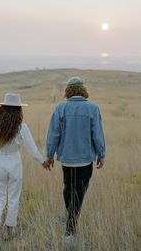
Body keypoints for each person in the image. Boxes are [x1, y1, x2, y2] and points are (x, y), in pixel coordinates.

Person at [0, 93, 48, 250]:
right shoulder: (21, 127)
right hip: (14, 163)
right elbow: (31, 149)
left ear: (2, 108)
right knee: (13, 198)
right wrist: (43, 162)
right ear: (19, 109)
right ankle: (10, 231)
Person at [45, 77, 106, 243]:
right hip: (85, 159)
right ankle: (70, 228)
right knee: (79, 191)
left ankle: (71, 220)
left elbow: (53, 134)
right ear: (83, 90)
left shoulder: (61, 108)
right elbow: (97, 134)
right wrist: (101, 154)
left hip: (66, 159)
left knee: (68, 188)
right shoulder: (93, 108)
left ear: (68, 91)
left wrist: (50, 155)